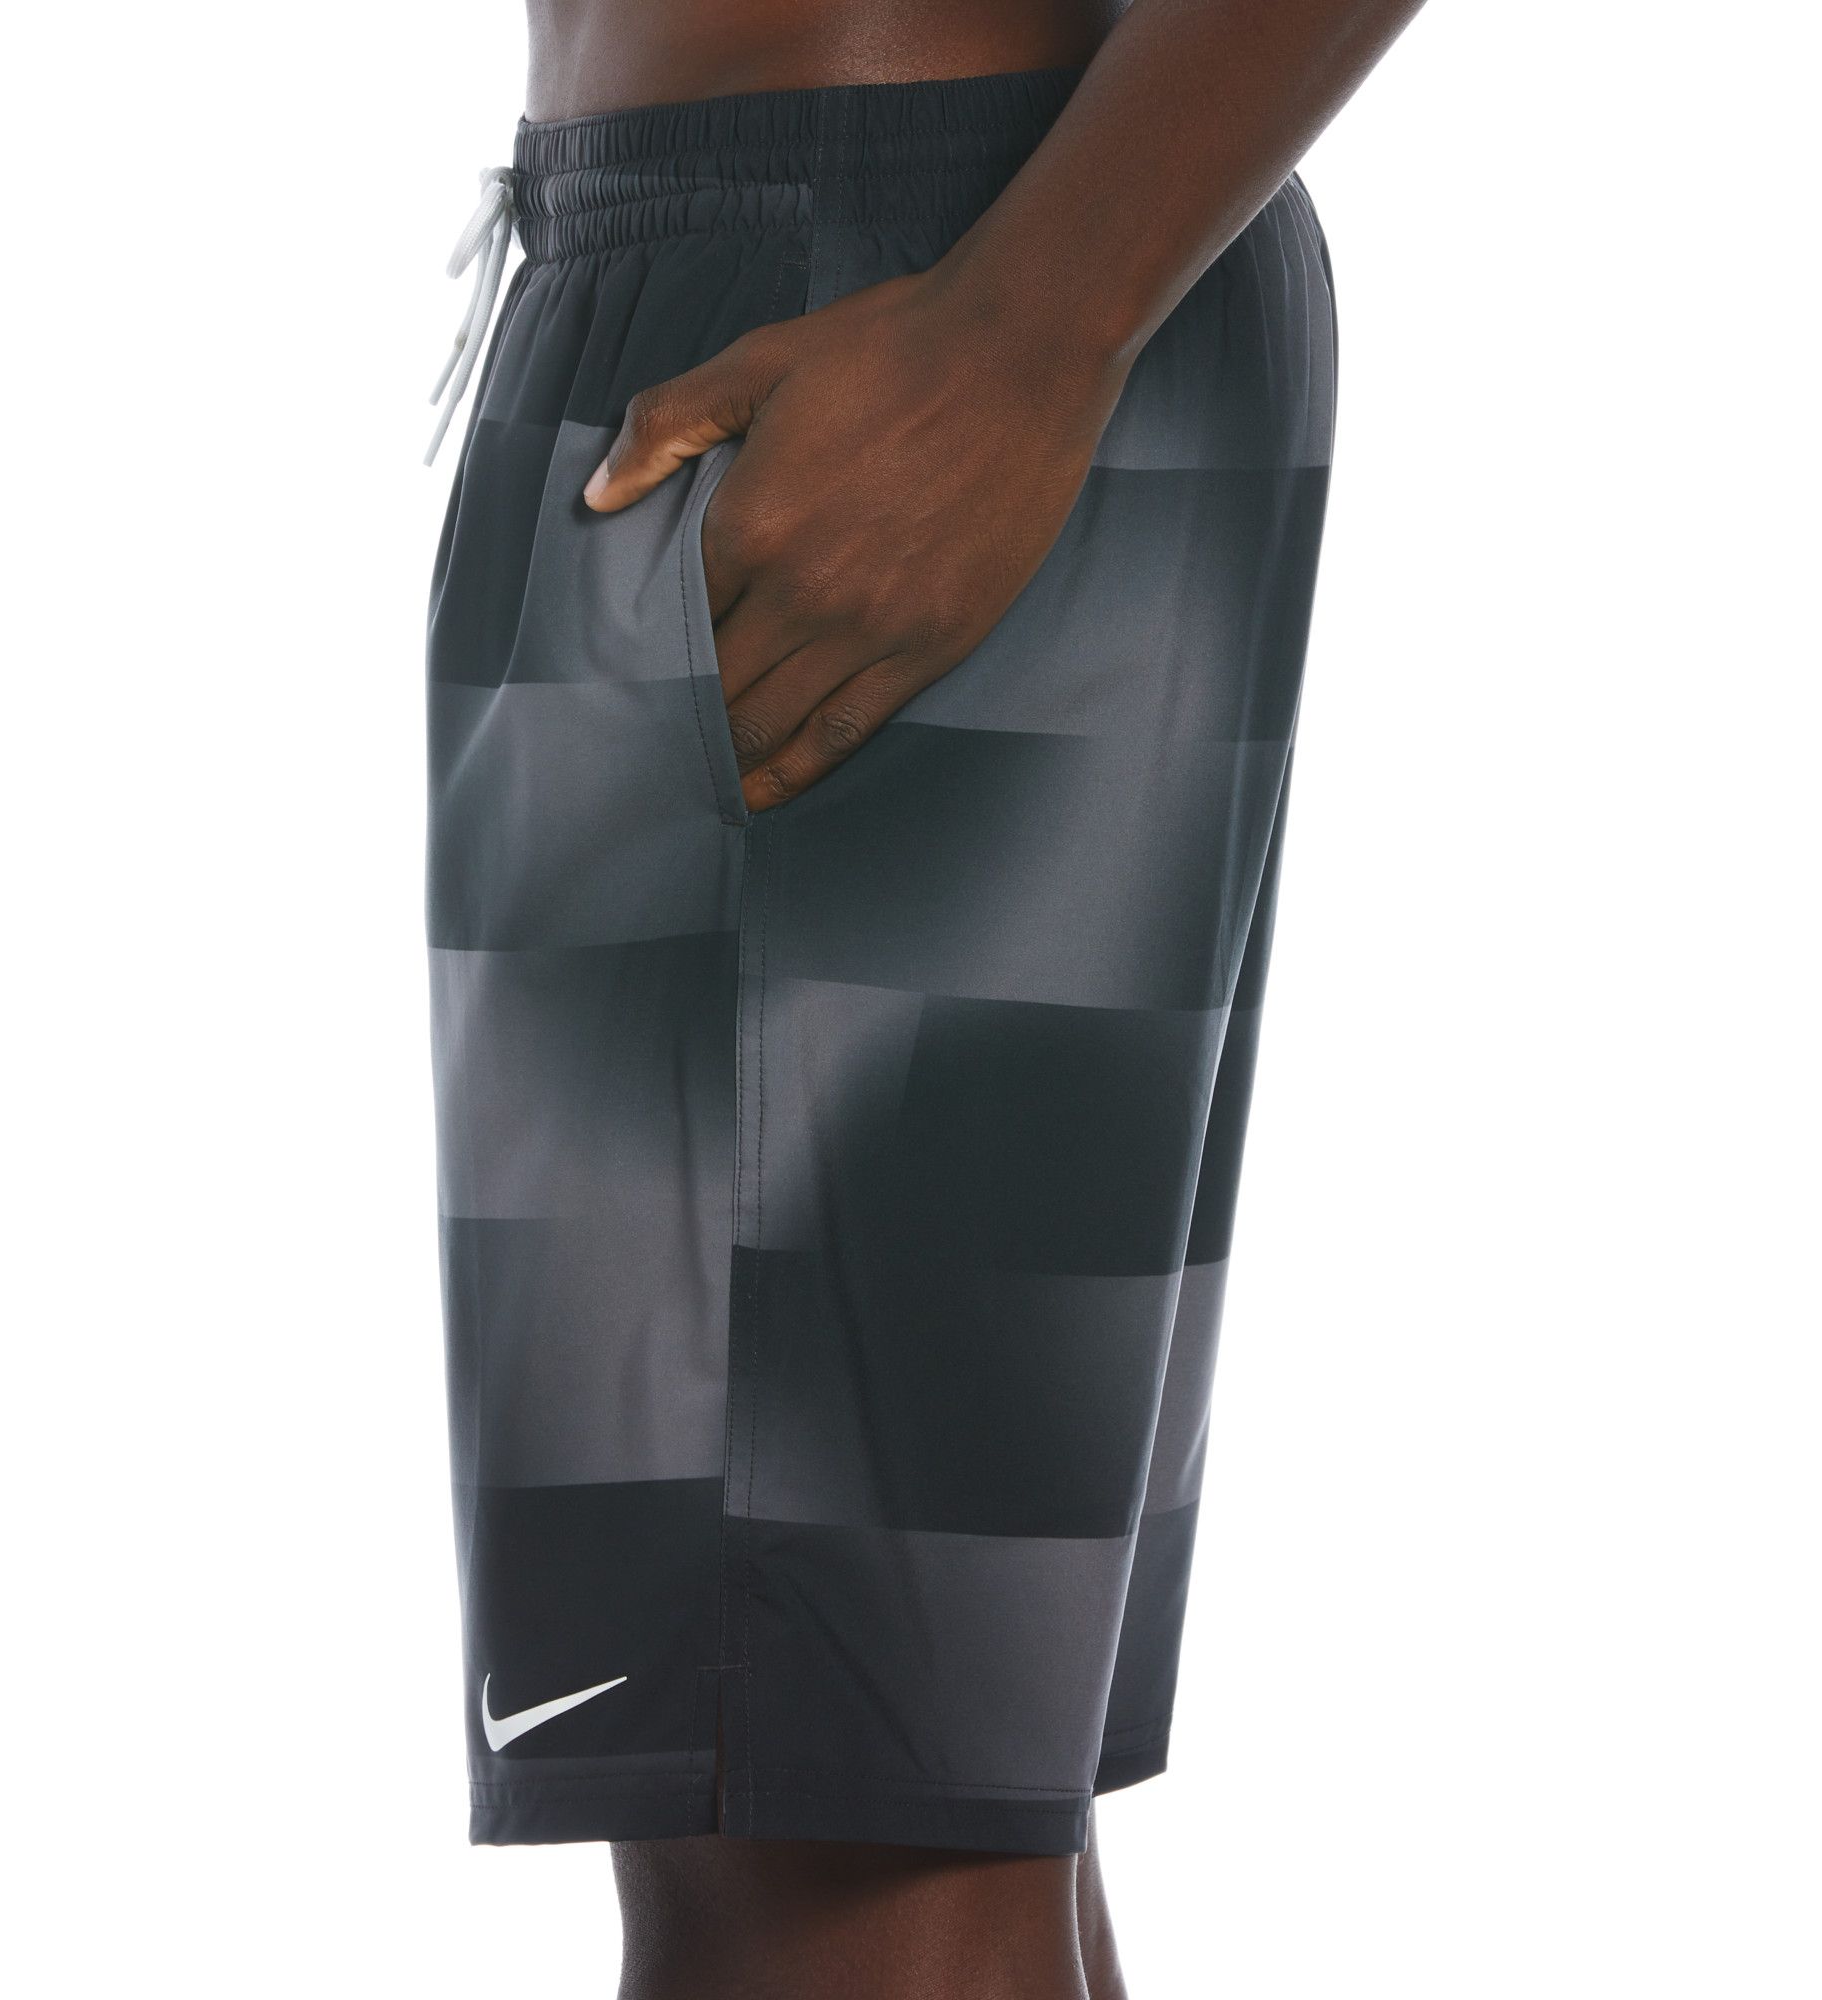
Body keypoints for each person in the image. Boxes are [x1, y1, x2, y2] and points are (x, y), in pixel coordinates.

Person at [424, 2, 1423, 1993]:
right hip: (800, 273)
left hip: (878, 299)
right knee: (867, 1791)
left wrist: (1023, 331)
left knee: (819, 1815)